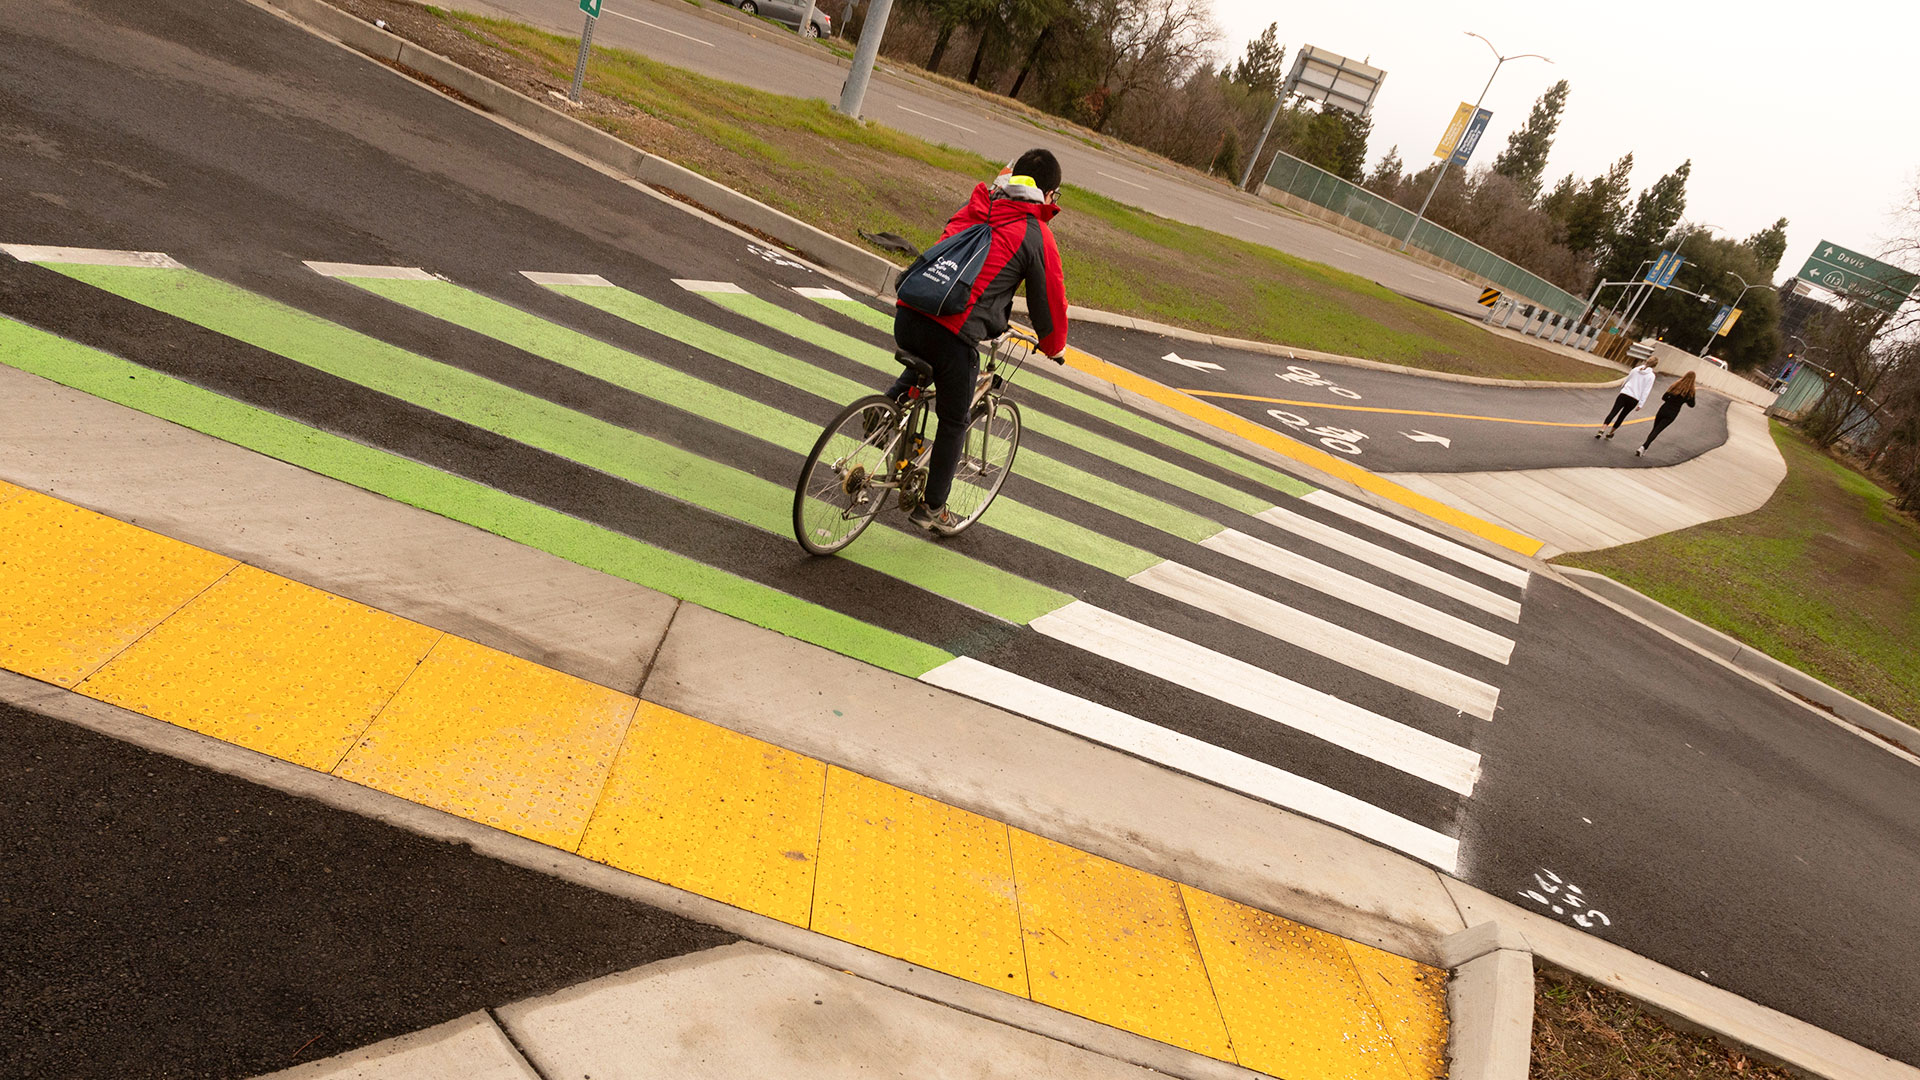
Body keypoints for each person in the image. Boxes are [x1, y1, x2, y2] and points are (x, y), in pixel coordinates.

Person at [887, 149, 1069, 534]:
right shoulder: (1036, 235)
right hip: (953, 336)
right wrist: (1054, 347)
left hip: (909, 310)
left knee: (930, 360)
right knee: (955, 419)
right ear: (1049, 195)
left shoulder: (983, 200)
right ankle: (933, 508)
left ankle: (888, 406)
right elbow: (1048, 304)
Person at [1635, 372, 1696, 456]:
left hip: (1663, 409)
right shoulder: (1690, 392)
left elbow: (1664, 397)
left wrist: (1671, 399)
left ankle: (1645, 448)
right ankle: (1643, 447)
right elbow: (1692, 405)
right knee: (1657, 431)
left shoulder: (1675, 385)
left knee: (1655, 429)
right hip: (1672, 413)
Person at [1596, 357, 1657, 439]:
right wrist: (1641, 404)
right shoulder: (1651, 376)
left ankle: (1602, 429)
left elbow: (1627, 379)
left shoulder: (1636, 369)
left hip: (1625, 393)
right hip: (1634, 398)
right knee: (1622, 416)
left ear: (1646, 361)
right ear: (1654, 366)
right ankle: (1610, 433)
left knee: (1613, 412)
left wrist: (1623, 388)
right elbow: (1646, 390)